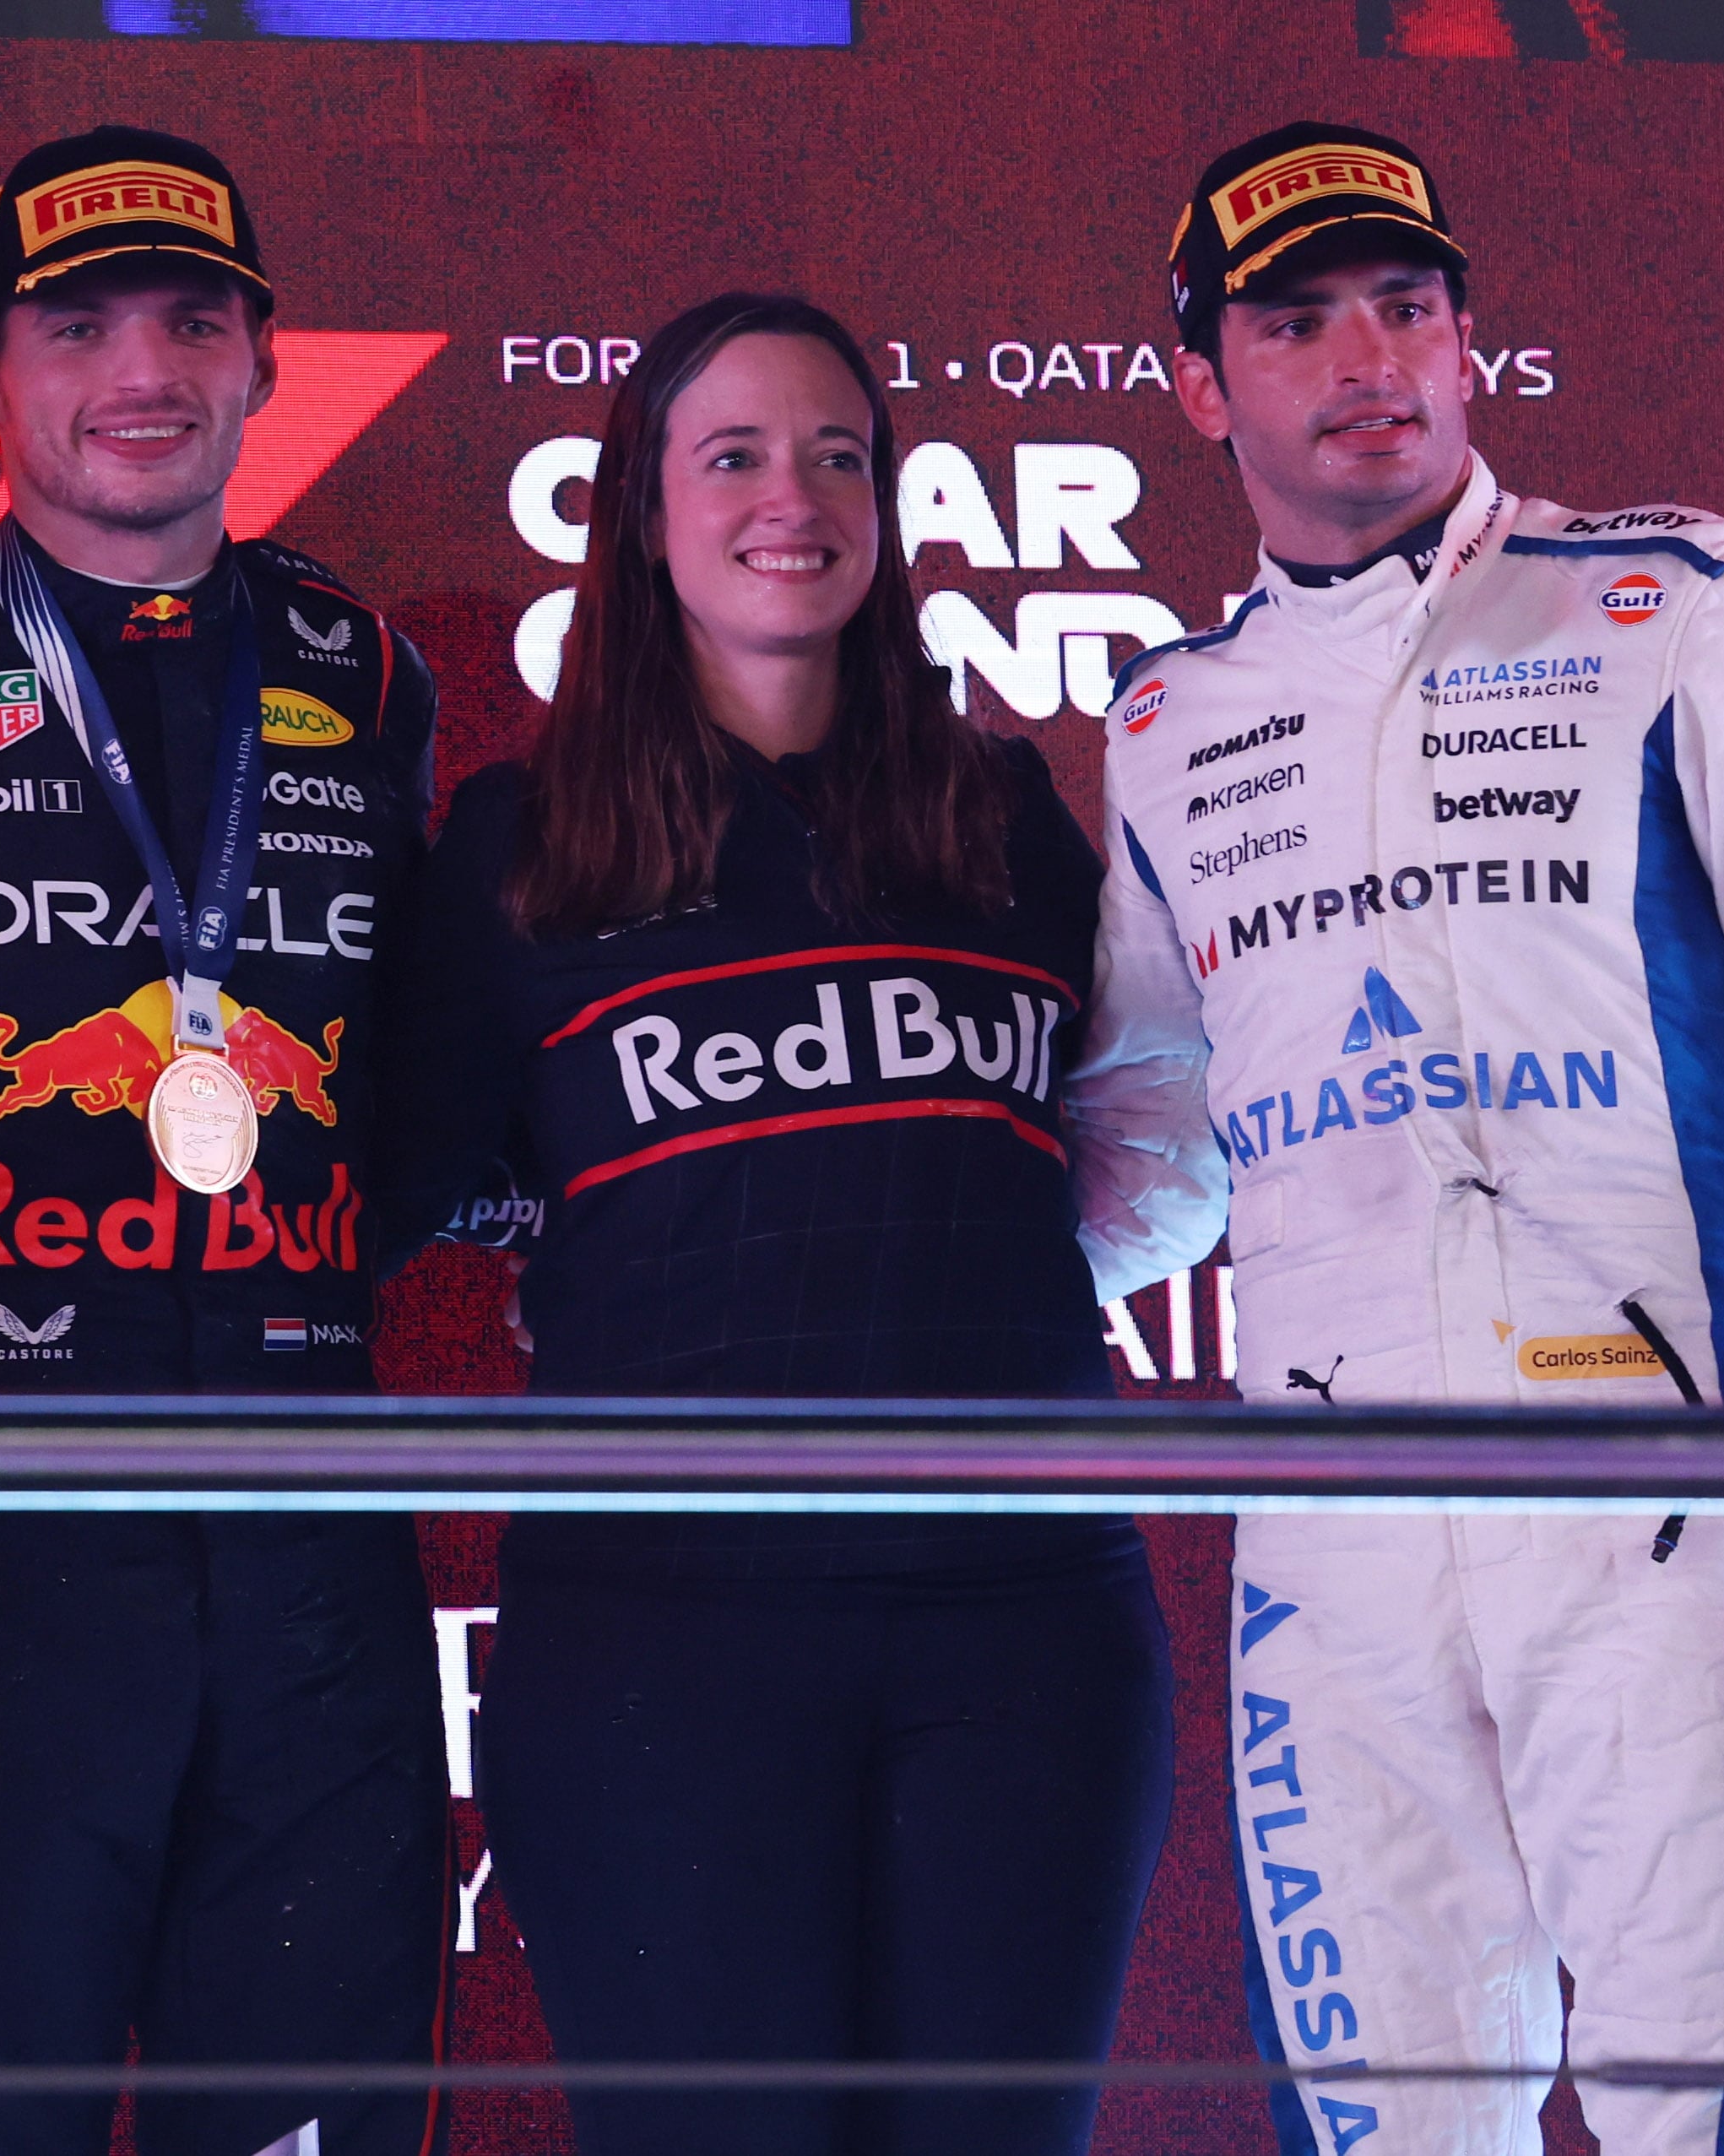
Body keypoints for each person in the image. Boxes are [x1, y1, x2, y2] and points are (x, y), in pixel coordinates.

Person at [1077, 121, 1724, 2156]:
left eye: (1404, 304)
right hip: (1327, 1550)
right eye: (1295, 321)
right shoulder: (1167, 721)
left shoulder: (1669, 599)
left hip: (1654, 1495)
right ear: (1198, 386)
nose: (1366, 357)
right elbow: (1151, 1158)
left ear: (1464, 340)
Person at [371, 292, 1217, 2156]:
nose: (794, 498)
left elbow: (1130, 1142)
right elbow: (395, 1181)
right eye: (735, 455)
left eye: (839, 455)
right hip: (661, 1636)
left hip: (1023, 1626)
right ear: (642, 509)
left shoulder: (999, 811)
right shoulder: (521, 843)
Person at [0, 127, 447, 2156]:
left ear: (262, 359)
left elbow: (406, 1069)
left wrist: (312, 1275)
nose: (142, 369)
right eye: (77, 325)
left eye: (191, 320)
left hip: (308, 1531)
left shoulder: (359, 664)